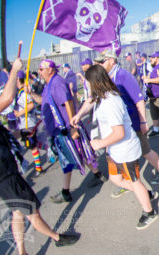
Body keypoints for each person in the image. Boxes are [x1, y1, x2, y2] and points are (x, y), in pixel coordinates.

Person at [0, 58, 79, 254]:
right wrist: (14, 71)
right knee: (31, 210)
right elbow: (7, 99)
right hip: (4, 174)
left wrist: (21, 134)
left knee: (17, 211)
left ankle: (21, 251)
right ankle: (57, 237)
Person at [75, 50, 159, 191]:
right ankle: (128, 183)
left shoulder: (123, 75)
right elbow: (92, 99)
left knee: (146, 151)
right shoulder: (106, 79)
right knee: (118, 157)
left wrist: (144, 122)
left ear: (111, 60)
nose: (99, 65)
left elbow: (139, 100)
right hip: (115, 127)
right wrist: (79, 114)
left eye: (102, 62)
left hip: (132, 123)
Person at [81, 64, 158, 229]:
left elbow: (119, 133)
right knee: (116, 179)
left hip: (125, 150)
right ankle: (146, 193)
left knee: (134, 181)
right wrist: (78, 115)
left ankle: (149, 211)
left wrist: (99, 144)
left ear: (94, 82)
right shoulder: (101, 97)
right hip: (114, 150)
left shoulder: (110, 101)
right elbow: (90, 103)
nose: (86, 85)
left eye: (87, 82)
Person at [29, 59, 106, 203]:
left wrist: (72, 127)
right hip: (59, 130)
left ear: (50, 69)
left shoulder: (57, 82)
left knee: (74, 156)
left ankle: (66, 191)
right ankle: (97, 175)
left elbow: (68, 102)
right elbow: (43, 101)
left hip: (66, 129)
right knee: (76, 155)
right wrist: (31, 94)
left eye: (41, 69)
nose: (39, 71)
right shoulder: (49, 84)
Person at [14, 71, 43, 177]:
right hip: (23, 123)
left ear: (18, 79)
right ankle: (49, 148)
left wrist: (19, 113)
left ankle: (39, 168)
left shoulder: (24, 92)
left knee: (32, 145)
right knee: (34, 144)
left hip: (28, 123)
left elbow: (30, 105)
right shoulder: (19, 92)